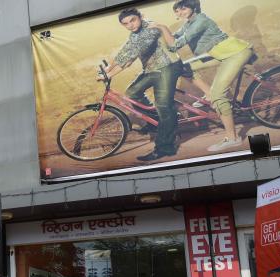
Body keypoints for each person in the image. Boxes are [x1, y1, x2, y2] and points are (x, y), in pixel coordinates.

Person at [153, 0, 254, 152]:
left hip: (234, 53)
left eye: (183, 8)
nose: (180, 13)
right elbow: (173, 37)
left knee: (219, 95)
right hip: (218, 53)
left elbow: (175, 45)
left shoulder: (201, 20)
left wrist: (162, 27)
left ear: (193, 7)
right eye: (177, 11)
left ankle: (233, 138)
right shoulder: (189, 23)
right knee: (183, 67)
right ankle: (209, 94)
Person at [101, 8, 184, 162]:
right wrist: (108, 69)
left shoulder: (151, 27)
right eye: (126, 23)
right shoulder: (134, 34)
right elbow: (126, 52)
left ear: (140, 17)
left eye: (133, 20)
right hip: (151, 69)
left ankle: (165, 148)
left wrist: (110, 73)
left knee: (164, 106)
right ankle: (158, 124)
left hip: (168, 67)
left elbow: (134, 51)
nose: (130, 25)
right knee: (132, 93)